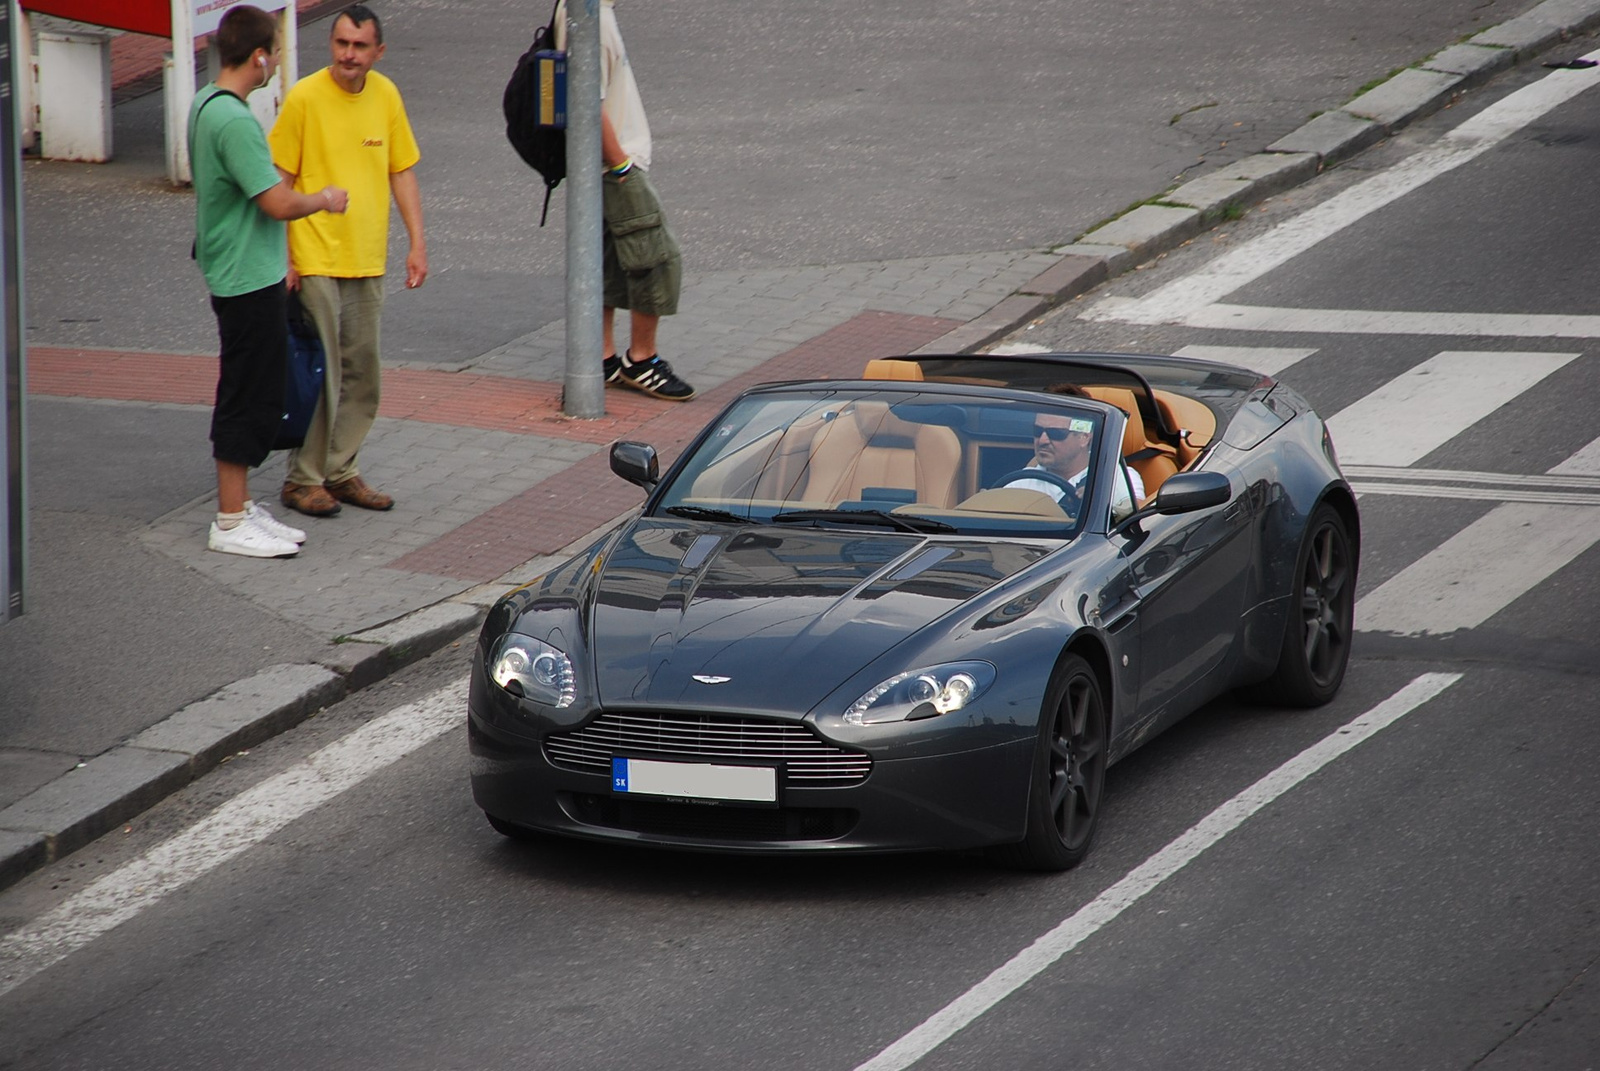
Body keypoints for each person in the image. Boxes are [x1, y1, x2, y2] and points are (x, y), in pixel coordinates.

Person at [191, 5, 348, 558]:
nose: (277, 61)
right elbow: (276, 200)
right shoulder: (233, 120)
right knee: (245, 394)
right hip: (245, 278)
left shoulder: (206, 104)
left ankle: (241, 506)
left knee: (251, 389)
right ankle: (230, 520)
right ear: (258, 57)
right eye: (275, 52)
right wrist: (324, 200)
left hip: (237, 271)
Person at [270, 3, 427, 517]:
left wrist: (417, 243)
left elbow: (400, 170)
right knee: (326, 372)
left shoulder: (386, 95)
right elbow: (280, 181)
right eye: (341, 43)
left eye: (360, 46)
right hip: (314, 252)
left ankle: (340, 470)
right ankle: (303, 479)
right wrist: (286, 256)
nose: (348, 55)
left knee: (363, 370)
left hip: (367, 256)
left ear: (378, 52)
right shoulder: (305, 98)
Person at [555, 0, 694, 401]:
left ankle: (602, 359)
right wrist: (621, 167)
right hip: (612, 165)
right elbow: (586, 101)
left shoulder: (591, 10)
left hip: (601, 166)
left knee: (607, 264)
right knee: (656, 259)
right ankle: (642, 359)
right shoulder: (585, 17)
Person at [1004, 405, 1145, 515]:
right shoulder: (1021, 482)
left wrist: (1099, 505)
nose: (1042, 440)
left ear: (1084, 437)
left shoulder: (1114, 478)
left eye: (1056, 433)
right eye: (1037, 431)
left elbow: (1134, 521)